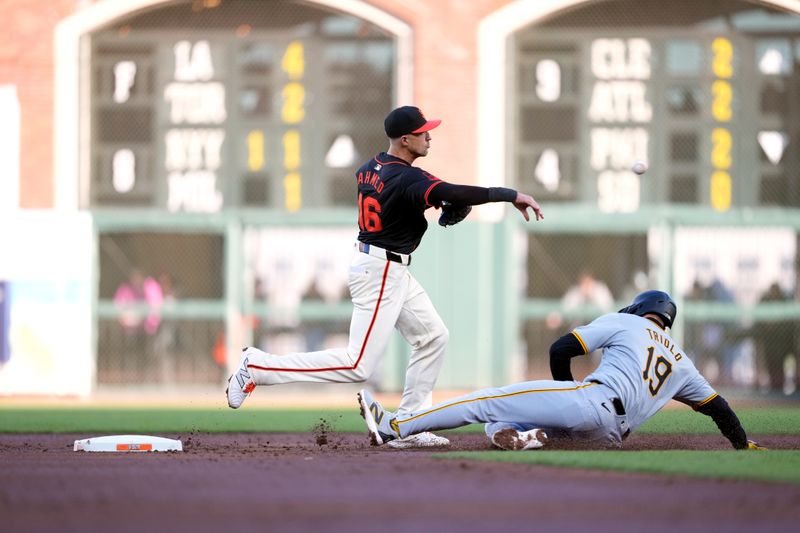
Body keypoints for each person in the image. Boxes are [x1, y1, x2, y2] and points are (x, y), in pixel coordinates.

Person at [227, 105, 544, 449]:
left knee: (433, 337)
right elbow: (451, 192)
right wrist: (509, 195)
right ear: (405, 139)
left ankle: (409, 424)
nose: (429, 137)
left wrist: (429, 204)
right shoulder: (409, 178)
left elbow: (405, 199)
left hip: (388, 267)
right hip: (380, 271)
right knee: (357, 365)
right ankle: (258, 366)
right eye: (423, 132)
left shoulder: (369, 168)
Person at [358, 290, 765, 451]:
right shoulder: (682, 361)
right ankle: (526, 438)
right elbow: (719, 409)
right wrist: (742, 444)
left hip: (592, 402)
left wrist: (566, 398)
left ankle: (395, 426)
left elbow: (562, 347)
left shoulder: (628, 322)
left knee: (484, 399)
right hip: (610, 437)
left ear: (642, 310)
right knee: (502, 419)